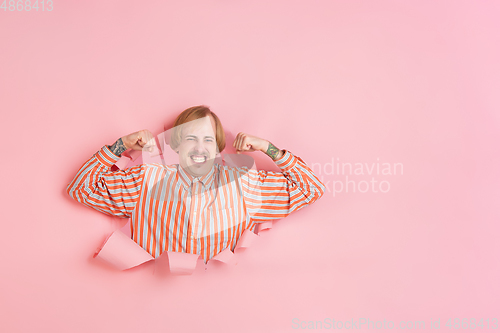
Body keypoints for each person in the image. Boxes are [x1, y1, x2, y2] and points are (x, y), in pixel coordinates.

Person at [66, 105, 325, 263]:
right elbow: (81, 189)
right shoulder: (147, 180)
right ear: (176, 145)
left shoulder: (243, 185)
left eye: (208, 140)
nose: (200, 147)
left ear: (218, 148)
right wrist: (120, 145)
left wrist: (269, 149)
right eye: (191, 138)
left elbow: (311, 189)